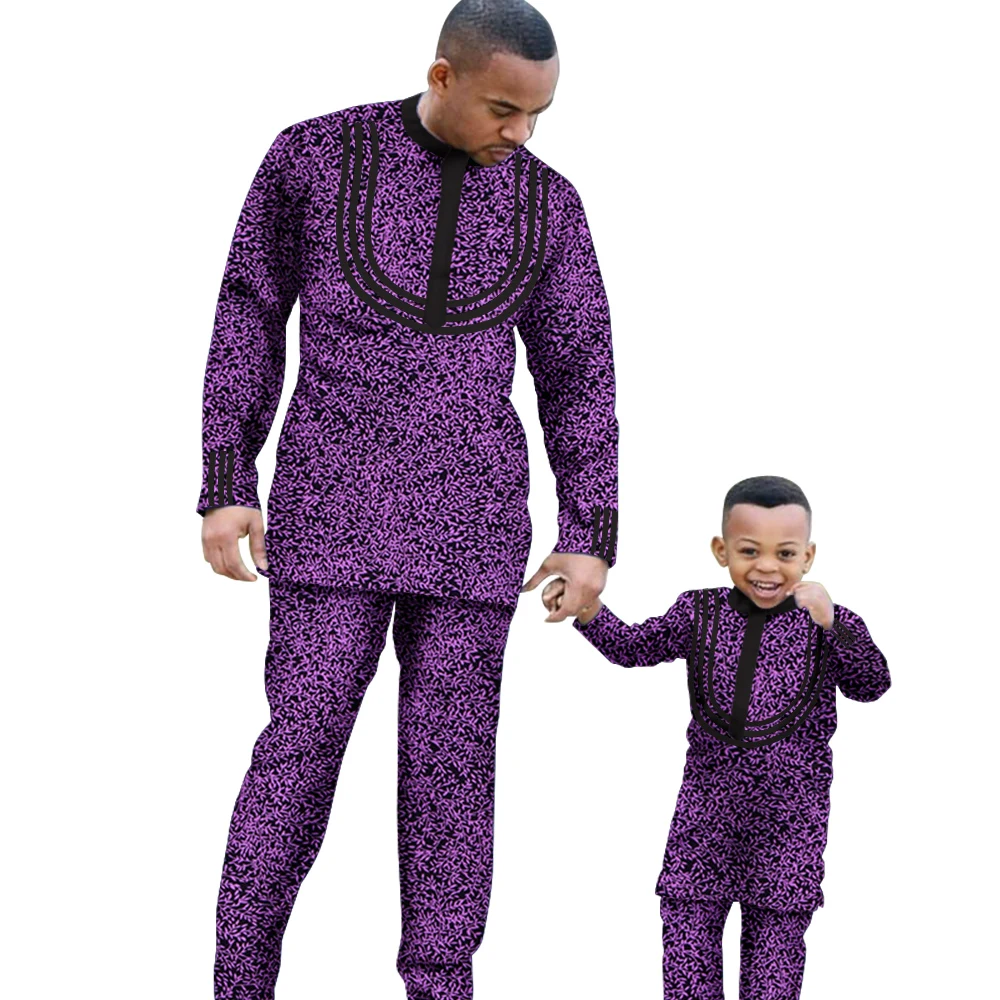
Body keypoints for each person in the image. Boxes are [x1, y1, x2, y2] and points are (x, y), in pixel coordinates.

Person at [195, 2, 620, 998]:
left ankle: (440, 985)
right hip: (329, 516)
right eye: (504, 109)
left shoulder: (549, 205)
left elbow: (579, 369)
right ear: (442, 77)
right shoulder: (313, 158)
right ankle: (238, 981)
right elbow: (249, 312)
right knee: (296, 756)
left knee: (450, 778)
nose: (521, 133)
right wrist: (225, 478)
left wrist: (589, 531)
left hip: (474, 531)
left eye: (539, 114)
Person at [530, 476, 891, 999]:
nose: (767, 567)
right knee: (687, 959)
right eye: (749, 551)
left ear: (808, 557)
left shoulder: (827, 623)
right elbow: (633, 647)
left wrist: (836, 624)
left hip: (788, 830)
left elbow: (872, 684)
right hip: (705, 823)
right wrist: (586, 609)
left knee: (774, 971)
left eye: (786, 553)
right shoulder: (698, 612)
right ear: (722, 551)